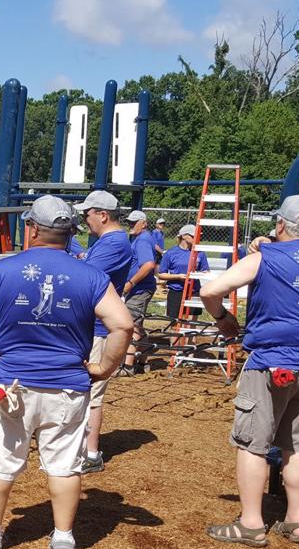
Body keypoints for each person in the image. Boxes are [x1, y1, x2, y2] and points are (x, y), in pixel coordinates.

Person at [0, 196, 133, 549]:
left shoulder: (3, 269)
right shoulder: (91, 275)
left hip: (10, 382)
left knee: (0, 459)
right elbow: (122, 325)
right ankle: (64, 537)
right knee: (65, 464)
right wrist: (103, 369)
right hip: (67, 383)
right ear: (69, 234)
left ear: (32, 229)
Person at [201, 195, 299, 547]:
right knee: (298, 446)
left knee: (252, 445)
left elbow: (210, 290)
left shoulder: (263, 259)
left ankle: (251, 523)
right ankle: (295, 522)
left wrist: (222, 318)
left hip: (272, 364)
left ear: (280, 225)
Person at [71, 190, 133, 475]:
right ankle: (84, 448)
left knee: (92, 391)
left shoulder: (115, 242)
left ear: (103, 215)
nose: (85, 219)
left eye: (88, 214)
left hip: (98, 327)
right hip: (93, 325)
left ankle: (91, 452)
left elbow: (86, 276)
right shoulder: (109, 242)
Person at [121, 210, 159, 369]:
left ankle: (128, 366)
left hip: (139, 289)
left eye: (134, 222)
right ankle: (144, 357)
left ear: (143, 223)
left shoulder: (142, 240)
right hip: (141, 288)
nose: (130, 224)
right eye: (129, 222)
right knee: (137, 323)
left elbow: (149, 264)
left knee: (131, 324)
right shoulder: (143, 238)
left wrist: (130, 283)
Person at [157, 224, 210, 319]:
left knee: (191, 322)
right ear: (184, 236)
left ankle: (191, 334)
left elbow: (205, 271)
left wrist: (199, 274)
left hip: (194, 291)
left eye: (199, 236)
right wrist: (177, 276)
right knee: (174, 322)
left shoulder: (200, 253)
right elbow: (161, 274)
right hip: (176, 291)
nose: (197, 239)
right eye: (194, 236)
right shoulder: (171, 253)